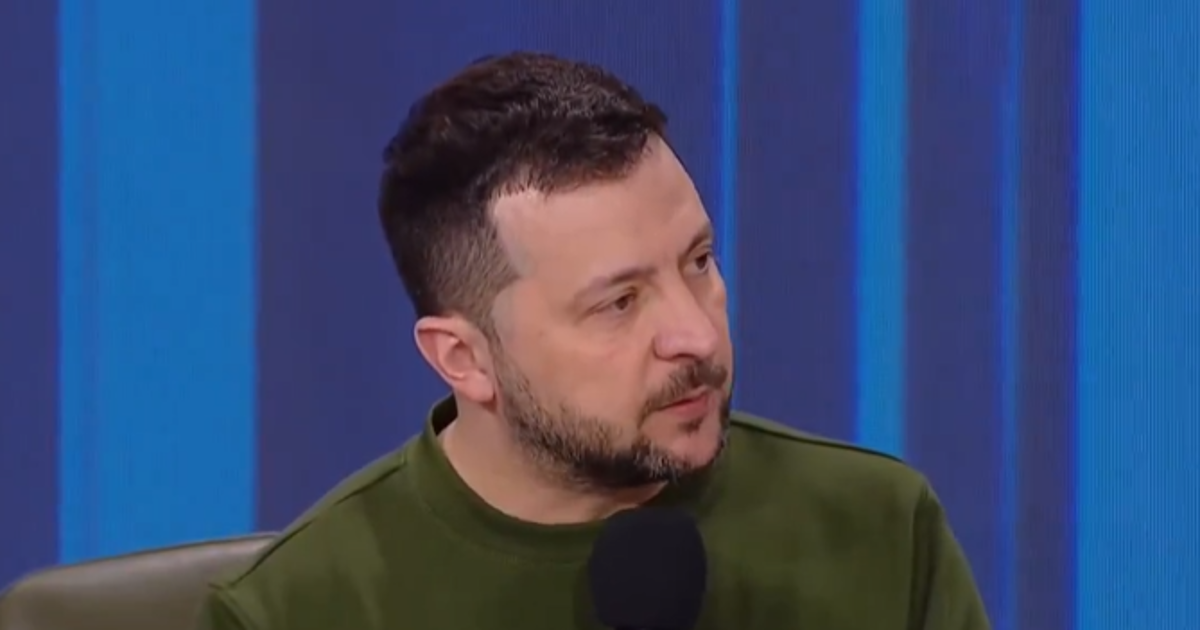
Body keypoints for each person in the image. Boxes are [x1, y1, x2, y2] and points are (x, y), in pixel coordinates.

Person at [195, 52, 989, 630]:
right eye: (618, 303)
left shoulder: (881, 530)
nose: (694, 333)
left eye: (699, 262)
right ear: (464, 359)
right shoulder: (298, 611)